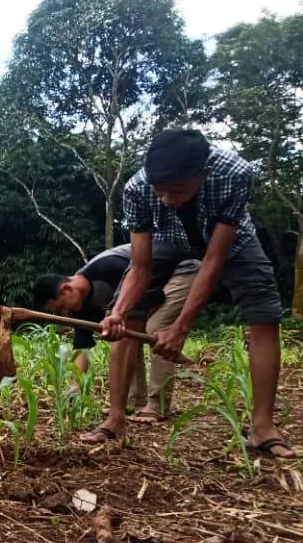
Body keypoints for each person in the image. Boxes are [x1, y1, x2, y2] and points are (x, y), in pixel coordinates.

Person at [98, 128, 294, 457]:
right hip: (168, 239)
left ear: (203, 174)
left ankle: (262, 428)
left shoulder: (235, 173)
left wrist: (180, 327)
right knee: (125, 313)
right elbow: (141, 266)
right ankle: (115, 419)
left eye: (176, 191)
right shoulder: (136, 188)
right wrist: (117, 313)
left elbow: (214, 259)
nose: (167, 199)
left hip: (233, 242)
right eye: (160, 192)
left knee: (264, 316)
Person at [34, 244, 199, 424]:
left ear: (67, 288)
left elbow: (147, 284)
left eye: (61, 307)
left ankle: (157, 405)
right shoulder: (80, 307)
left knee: (156, 329)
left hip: (180, 269)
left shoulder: (108, 268)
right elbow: (82, 346)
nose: (64, 312)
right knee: (125, 335)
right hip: (150, 288)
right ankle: (135, 400)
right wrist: (76, 385)